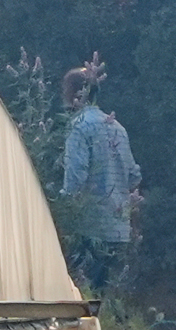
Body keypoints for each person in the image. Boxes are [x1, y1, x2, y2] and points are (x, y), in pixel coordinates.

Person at [59, 57, 142, 290]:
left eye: (66, 90)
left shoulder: (79, 126)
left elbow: (75, 179)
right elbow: (133, 177)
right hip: (116, 228)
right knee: (101, 295)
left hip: (89, 227)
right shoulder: (117, 127)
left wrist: (60, 215)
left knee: (81, 294)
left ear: (75, 93)